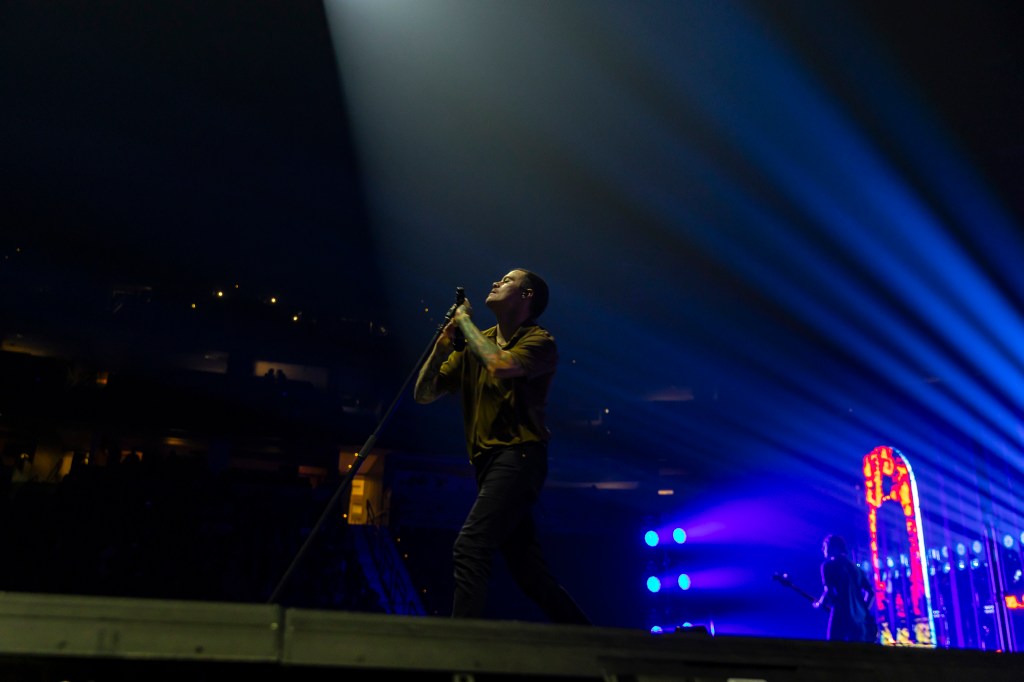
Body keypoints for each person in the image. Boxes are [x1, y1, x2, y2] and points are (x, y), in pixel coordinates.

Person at [413, 268, 591, 624]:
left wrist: (465, 324)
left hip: (520, 457)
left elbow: (498, 364)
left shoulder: (539, 341)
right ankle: (589, 639)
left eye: (507, 280)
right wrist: (444, 343)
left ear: (526, 297)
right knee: (530, 574)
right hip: (488, 464)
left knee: (470, 546)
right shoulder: (478, 342)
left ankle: (462, 651)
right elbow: (424, 393)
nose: (495, 283)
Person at [812, 534, 876, 643]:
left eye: (825, 545)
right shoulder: (856, 568)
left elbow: (829, 591)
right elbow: (870, 593)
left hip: (840, 615)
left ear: (835, 547)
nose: (822, 549)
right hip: (859, 620)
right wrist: (863, 610)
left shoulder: (828, 566)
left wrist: (820, 603)